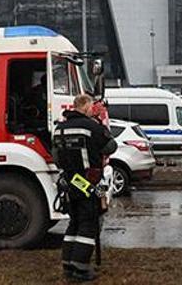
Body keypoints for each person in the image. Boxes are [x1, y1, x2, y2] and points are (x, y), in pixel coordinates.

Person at [54, 94, 117, 281]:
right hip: (88, 182)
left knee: (74, 223)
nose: (92, 109)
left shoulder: (59, 128)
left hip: (69, 181)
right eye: (91, 107)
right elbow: (110, 147)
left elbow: (56, 156)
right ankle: (80, 268)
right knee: (88, 223)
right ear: (86, 107)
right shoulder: (91, 126)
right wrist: (100, 124)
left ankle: (68, 265)